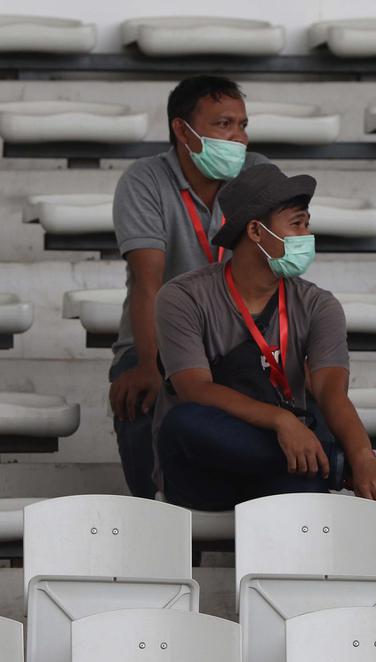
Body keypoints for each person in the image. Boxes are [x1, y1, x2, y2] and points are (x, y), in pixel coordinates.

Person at [153, 164, 376, 510]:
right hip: (207, 470)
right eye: (297, 224)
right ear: (256, 231)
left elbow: (331, 392)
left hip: (291, 464)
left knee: (308, 483)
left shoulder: (319, 306)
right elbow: (194, 389)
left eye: (308, 224)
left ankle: (336, 465)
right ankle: (338, 466)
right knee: (184, 423)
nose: (307, 234)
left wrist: (363, 454)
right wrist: (280, 420)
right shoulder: (183, 297)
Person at [108, 75, 268, 499]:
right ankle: (155, 517)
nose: (239, 137)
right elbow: (147, 283)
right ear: (182, 130)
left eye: (243, 125)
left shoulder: (260, 174)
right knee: (138, 395)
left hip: (241, 341)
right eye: (224, 124)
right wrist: (149, 364)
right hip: (161, 338)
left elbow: (276, 276)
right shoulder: (145, 180)